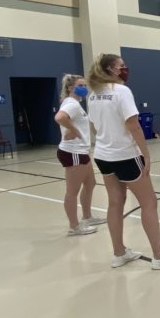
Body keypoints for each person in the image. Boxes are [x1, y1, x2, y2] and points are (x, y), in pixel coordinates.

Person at [86, 53, 160, 270]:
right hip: (126, 156)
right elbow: (133, 125)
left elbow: (94, 127)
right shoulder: (121, 91)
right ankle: (159, 257)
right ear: (111, 69)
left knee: (115, 202)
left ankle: (119, 253)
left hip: (103, 156)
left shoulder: (93, 95)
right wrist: (146, 155)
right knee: (149, 203)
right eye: (121, 65)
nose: (125, 69)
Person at [54, 74, 105, 236]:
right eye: (80, 86)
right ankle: (74, 227)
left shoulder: (75, 104)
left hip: (81, 151)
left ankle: (87, 217)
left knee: (90, 183)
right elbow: (59, 117)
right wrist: (74, 131)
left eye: (85, 85)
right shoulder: (72, 104)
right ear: (70, 88)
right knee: (72, 191)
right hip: (73, 151)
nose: (84, 88)